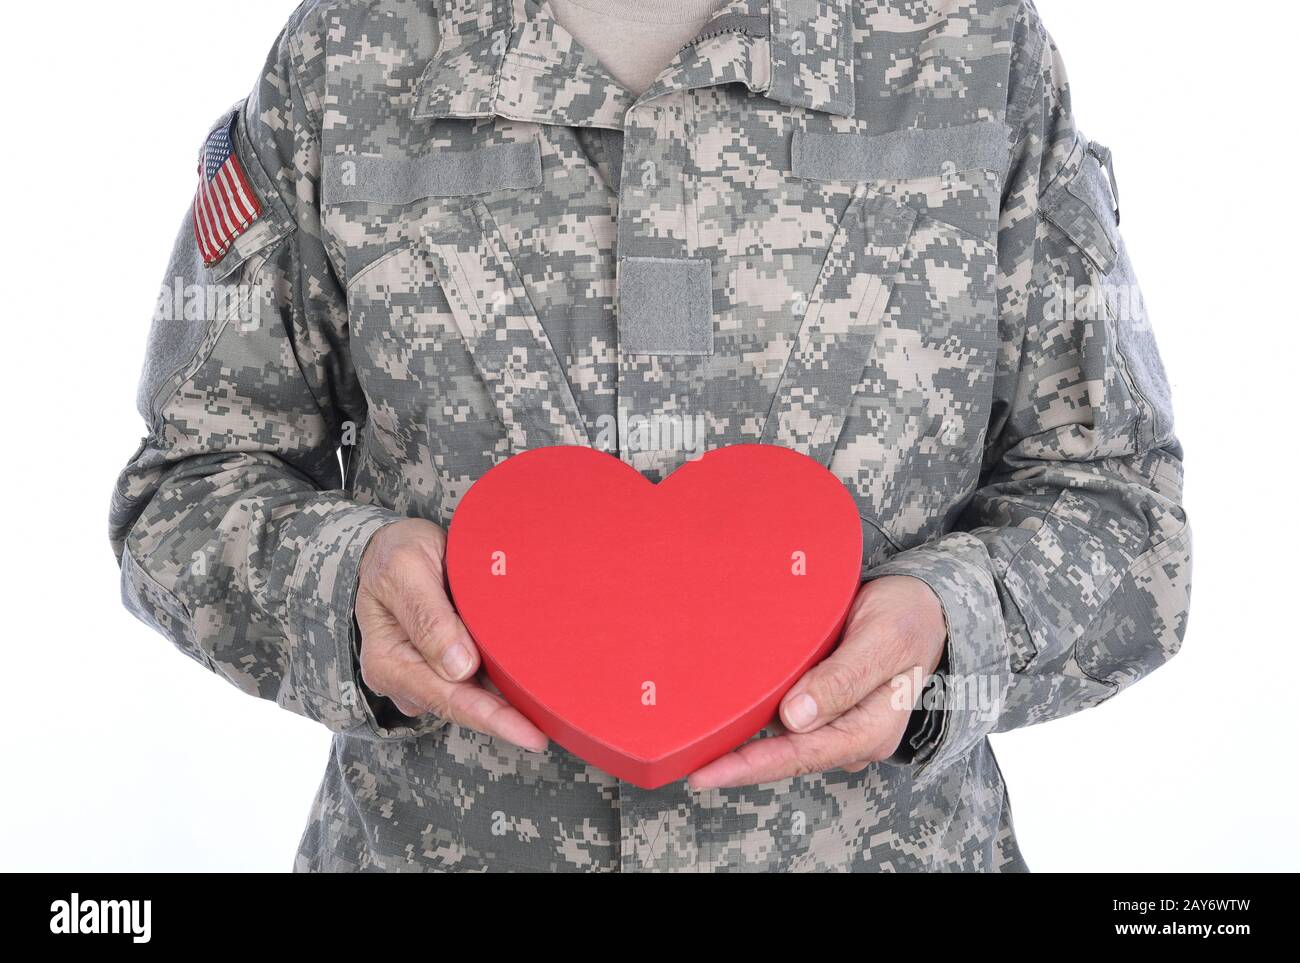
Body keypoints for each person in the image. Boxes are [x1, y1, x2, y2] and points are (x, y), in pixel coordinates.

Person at [110, 0, 1191, 872]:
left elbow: (1124, 514)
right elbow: (190, 481)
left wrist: (951, 634)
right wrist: (343, 587)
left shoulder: (969, 47)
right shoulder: (347, 53)